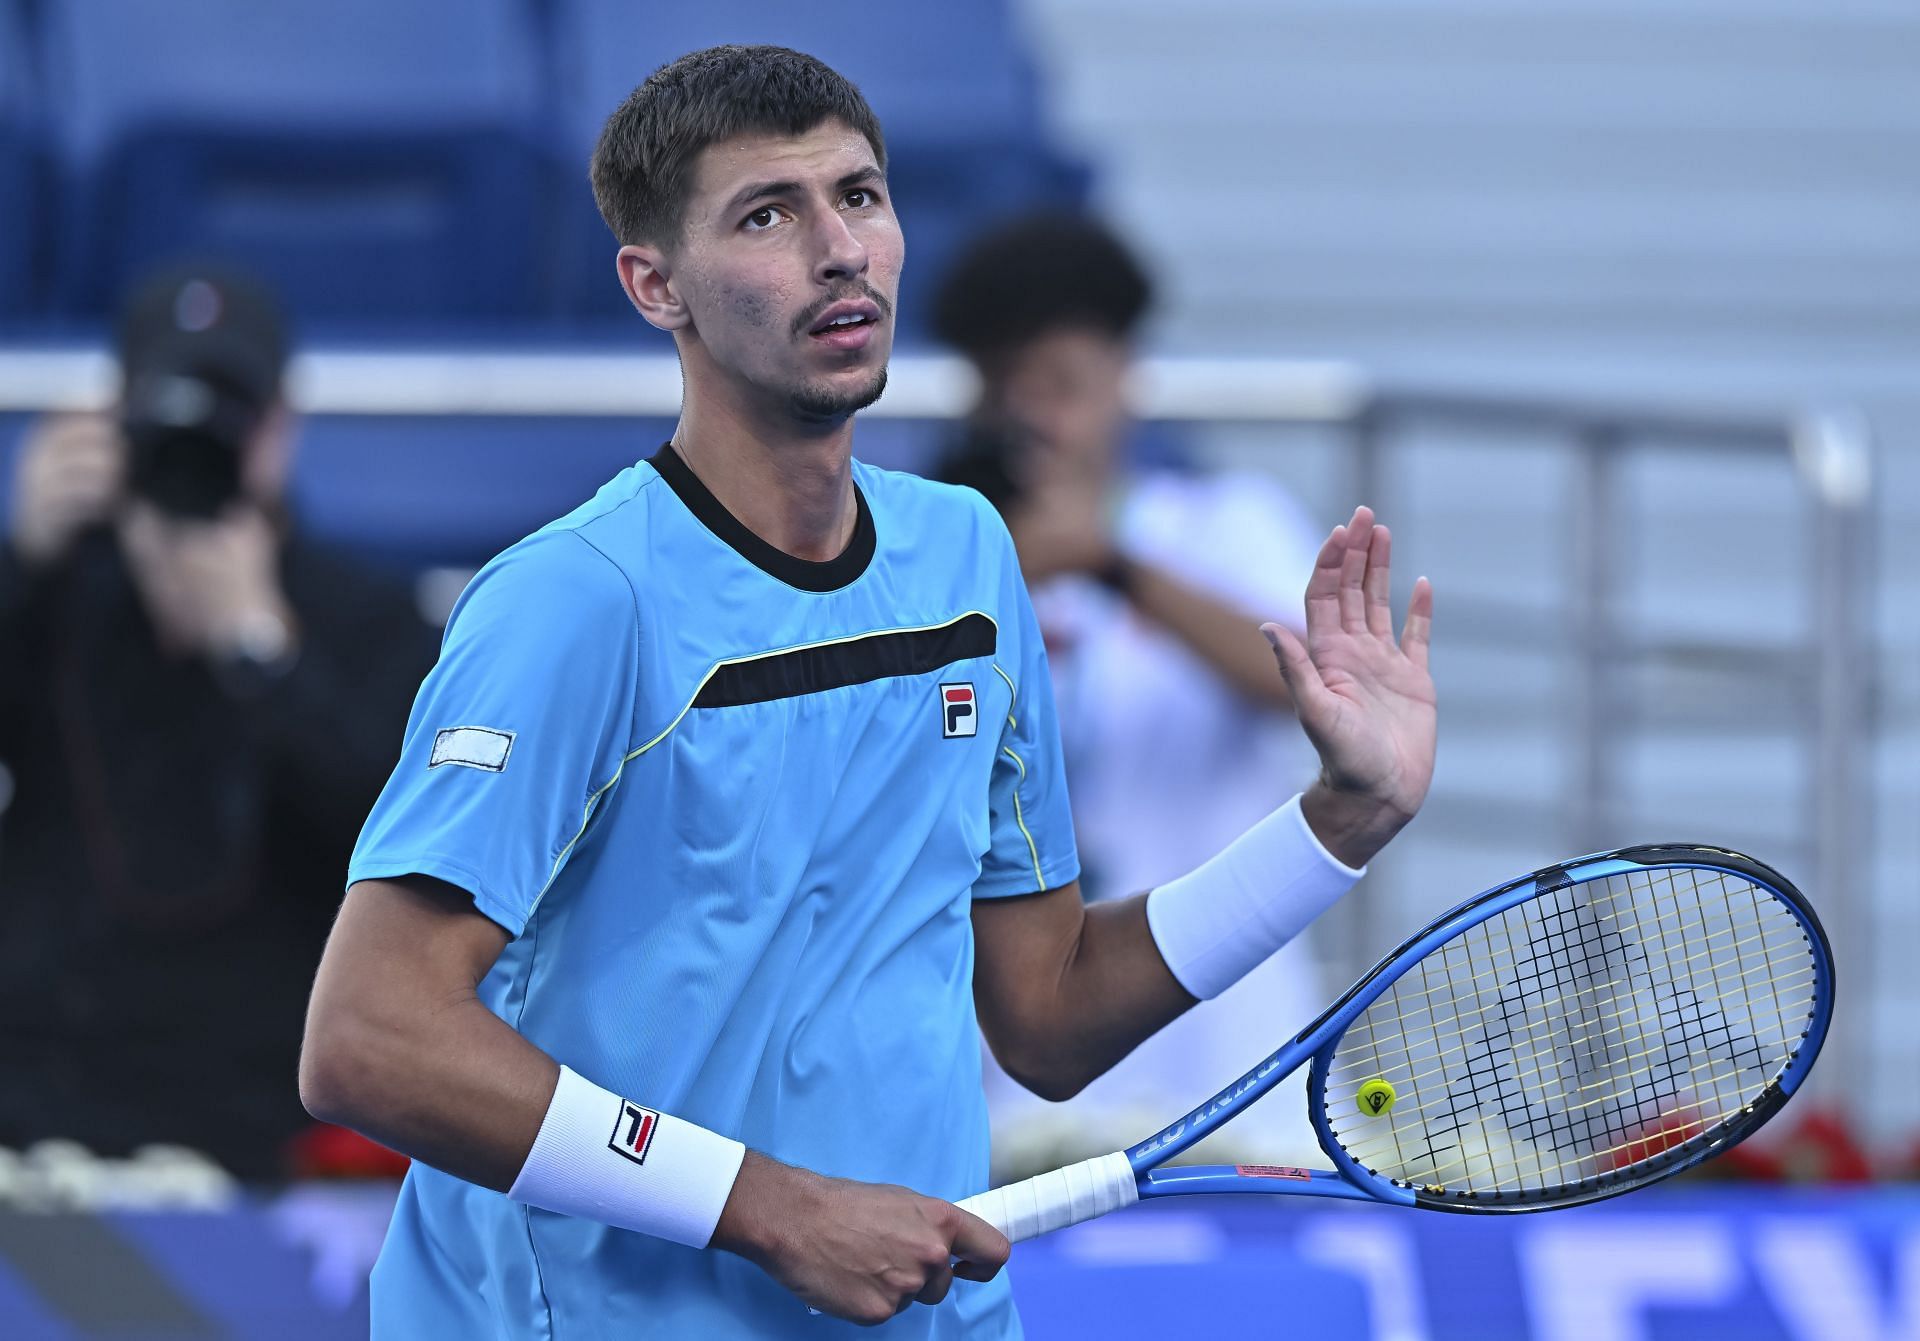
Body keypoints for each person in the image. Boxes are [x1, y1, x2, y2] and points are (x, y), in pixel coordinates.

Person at [299, 45, 1436, 1337]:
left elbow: (1049, 1012)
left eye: (861, 195)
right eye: (768, 214)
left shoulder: (967, 561)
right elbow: (371, 1035)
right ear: (652, 284)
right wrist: (775, 1208)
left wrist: (1340, 824)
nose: (839, 248)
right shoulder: (575, 601)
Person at [0, 264, 439, 1180]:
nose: (200, 438)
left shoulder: (367, 620)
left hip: (257, 1126)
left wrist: (260, 651)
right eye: (171, 407)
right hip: (32, 1099)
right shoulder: (47, 599)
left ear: (280, 427)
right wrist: (23, 560)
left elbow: (411, 857)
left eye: (229, 410)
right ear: (115, 418)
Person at [932, 214, 1334, 1171]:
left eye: (1063, 385)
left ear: (1126, 373)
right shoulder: (947, 557)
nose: (1041, 421)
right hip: (1019, 1092)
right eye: (1009, 391)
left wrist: (1114, 565)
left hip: (1234, 1059)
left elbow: (1311, 685)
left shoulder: (1223, 523)